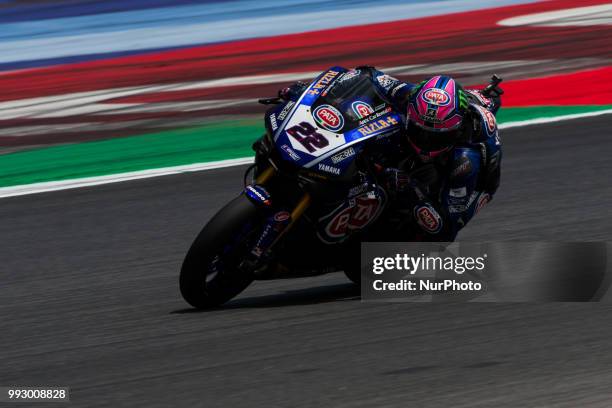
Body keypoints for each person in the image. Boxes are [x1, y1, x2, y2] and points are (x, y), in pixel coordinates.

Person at [279, 67, 503, 241]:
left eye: (435, 137)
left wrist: (410, 190)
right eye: (419, 131)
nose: (425, 143)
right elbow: (366, 73)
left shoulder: (465, 161)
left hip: (469, 182)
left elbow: (444, 228)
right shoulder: (408, 96)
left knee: (435, 233)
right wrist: (311, 94)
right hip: (433, 120)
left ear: (454, 130)